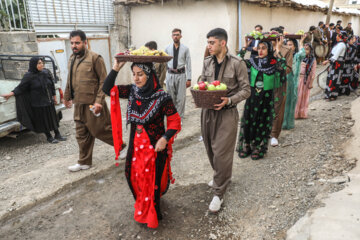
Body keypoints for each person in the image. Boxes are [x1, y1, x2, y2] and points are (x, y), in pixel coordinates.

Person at [102, 59, 181, 229]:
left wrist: (164, 138)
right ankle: (143, 207)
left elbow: (175, 122)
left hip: (154, 149)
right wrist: (116, 67)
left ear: (150, 75)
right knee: (133, 176)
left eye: (140, 74)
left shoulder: (162, 97)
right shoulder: (132, 91)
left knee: (152, 181)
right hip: (135, 147)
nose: (136, 79)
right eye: (134, 74)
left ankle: (153, 213)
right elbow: (107, 89)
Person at [201, 28, 250, 213]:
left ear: (223, 43)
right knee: (210, 149)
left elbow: (246, 90)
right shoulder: (207, 62)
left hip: (227, 113)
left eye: (212, 42)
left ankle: (218, 193)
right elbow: (203, 83)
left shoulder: (238, 63)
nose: (209, 46)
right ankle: (220, 177)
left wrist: (229, 100)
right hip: (207, 113)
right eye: (208, 42)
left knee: (222, 153)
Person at [63, 30, 123, 172]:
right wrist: (66, 97)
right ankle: (84, 162)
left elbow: (104, 82)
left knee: (101, 130)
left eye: (77, 43)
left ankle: (122, 147)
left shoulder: (95, 58)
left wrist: (98, 102)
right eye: (72, 43)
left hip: (93, 103)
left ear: (85, 42)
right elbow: (69, 79)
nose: (74, 46)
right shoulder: (72, 58)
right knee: (81, 133)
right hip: (79, 103)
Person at [237, 38, 286, 159]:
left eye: (263, 48)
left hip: (266, 96)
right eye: (259, 48)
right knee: (249, 119)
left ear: (269, 49)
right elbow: (238, 60)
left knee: (262, 121)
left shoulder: (274, 62)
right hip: (252, 96)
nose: (260, 51)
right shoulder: (252, 61)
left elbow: (283, 65)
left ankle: (259, 147)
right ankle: (247, 144)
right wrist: (245, 46)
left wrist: (278, 50)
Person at [1, 57, 66, 143]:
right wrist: (10, 94)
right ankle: (49, 137)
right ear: (34, 65)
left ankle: (57, 134)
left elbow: (51, 86)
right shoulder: (29, 76)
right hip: (38, 103)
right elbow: (21, 88)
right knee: (44, 121)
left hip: (49, 101)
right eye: (39, 63)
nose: (41, 64)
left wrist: (54, 97)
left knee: (53, 118)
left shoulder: (46, 73)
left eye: (42, 63)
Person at [270, 28, 294, 147]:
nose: (272, 38)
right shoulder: (265, 47)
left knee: (277, 108)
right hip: (265, 83)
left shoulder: (287, 50)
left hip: (279, 83)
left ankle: (274, 135)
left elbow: (288, 69)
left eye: (275, 35)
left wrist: (278, 51)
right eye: (270, 35)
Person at [165, 28, 191, 120]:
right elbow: (165, 64)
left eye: (177, 34)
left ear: (181, 36)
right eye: (174, 35)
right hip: (170, 75)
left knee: (181, 98)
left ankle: (179, 118)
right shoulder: (167, 48)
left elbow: (188, 64)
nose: (175, 36)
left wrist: (189, 79)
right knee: (171, 97)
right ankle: (172, 117)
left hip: (181, 75)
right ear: (172, 36)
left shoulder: (185, 49)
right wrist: (165, 78)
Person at [282, 35, 307, 130]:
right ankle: (282, 123)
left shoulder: (297, 56)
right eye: (287, 45)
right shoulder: (283, 56)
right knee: (283, 103)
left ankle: (289, 123)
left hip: (293, 82)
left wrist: (301, 42)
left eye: (291, 45)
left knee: (291, 101)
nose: (289, 47)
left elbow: (303, 53)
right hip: (284, 82)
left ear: (294, 46)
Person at [322, 31, 348, 101]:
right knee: (331, 78)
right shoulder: (339, 44)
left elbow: (335, 56)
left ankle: (332, 96)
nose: (336, 37)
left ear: (340, 37)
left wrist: (327, 61)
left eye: (337, 36)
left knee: (334, 79)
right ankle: (328, 94)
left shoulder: (341, 45)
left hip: (337, 64)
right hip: (335, 64)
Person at [295, 43, 317, 119]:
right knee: (297, 96)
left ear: (311, 51)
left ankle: (302, 113)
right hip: (298, 79)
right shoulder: (299, 58)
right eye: (304, 49)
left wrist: (311, 83)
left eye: (307, 49)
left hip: (306, 80)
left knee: (304, 97)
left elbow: (313, 72)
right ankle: (295, 113)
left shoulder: (312, 60)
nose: (305, 51)